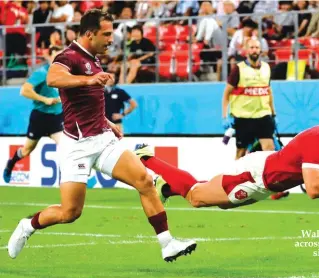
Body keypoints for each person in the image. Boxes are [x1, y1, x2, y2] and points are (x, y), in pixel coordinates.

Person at [7, 9, 196, 262]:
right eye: (106, 34)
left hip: (104, 139)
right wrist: (87, 80)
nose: (111, 39)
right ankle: (27, 226)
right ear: (89, 33)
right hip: (78, 146)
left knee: (145, 181)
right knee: (70, 212)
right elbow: (53, 78)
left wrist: (106, 120)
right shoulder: (70, 56)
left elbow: (83, 103)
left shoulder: (94, 58)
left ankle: (167, 243)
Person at [135, 104, 319, 228]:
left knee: (212, 200)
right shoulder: (316, 140)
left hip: (266, 183)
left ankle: (168, 188)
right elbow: (313, 189)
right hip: (254, 175)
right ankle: (148, 158)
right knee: (197, 197)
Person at [3, 46, 63, 184]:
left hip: (56, 118)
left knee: (66, 146)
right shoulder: (42, 73)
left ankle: (66, 180)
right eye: (57, 56)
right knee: (26, 151)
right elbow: (24, 91)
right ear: (49, 56)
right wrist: (44, 99)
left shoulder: (64, 73)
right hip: (40, 118)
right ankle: (11, 164)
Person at [222, 38, 276, 160]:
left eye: (257, 47)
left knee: (269, 149)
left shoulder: (266, 68)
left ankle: (267, 178)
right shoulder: (238, 69)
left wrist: (273, 113)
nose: (254, 50)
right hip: (243, 117)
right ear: (246, 51)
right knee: (241, 153)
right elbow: (226, 94)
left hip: (263, 115)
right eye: (251, 48)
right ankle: (236, 177)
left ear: (260, 50)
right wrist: (225, 116)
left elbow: (268, 91)